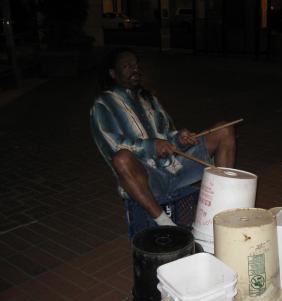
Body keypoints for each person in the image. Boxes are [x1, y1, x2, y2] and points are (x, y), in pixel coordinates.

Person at [90, 48, 236, 237]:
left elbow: (167, 135)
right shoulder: (103, 104)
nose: (134, 70)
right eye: (126, 66)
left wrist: (181, 138)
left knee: (224, 130)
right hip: (149, 180)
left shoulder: (148, 98)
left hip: (175, 168)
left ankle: (222, 206)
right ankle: (164, 222)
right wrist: (152, 146)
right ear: (113, 74)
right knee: (121, 158)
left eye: (135, 65)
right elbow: (113, 145)